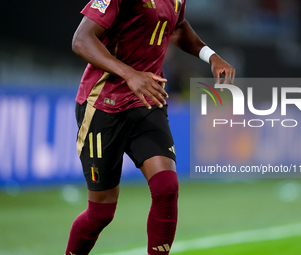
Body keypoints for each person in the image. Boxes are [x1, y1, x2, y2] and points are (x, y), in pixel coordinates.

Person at [65, 0, 235, 254]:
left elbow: (176, 27)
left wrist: (209, 55)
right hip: (103, 105)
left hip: (147, 101)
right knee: (101, 213)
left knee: (166, 188)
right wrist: (130, 74)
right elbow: (81, 39)